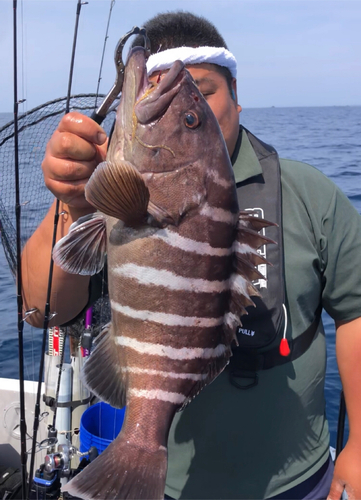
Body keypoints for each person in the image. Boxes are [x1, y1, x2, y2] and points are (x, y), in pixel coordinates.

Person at [21, 11, 361, 500]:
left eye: (196, 103)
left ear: (238, 99)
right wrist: (73, 204)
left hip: (301, 481)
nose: (178, 103)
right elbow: (43, 309)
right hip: (169, 486)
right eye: (152, 95)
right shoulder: (108, 197)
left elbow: (355, 310)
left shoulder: (309, 193)